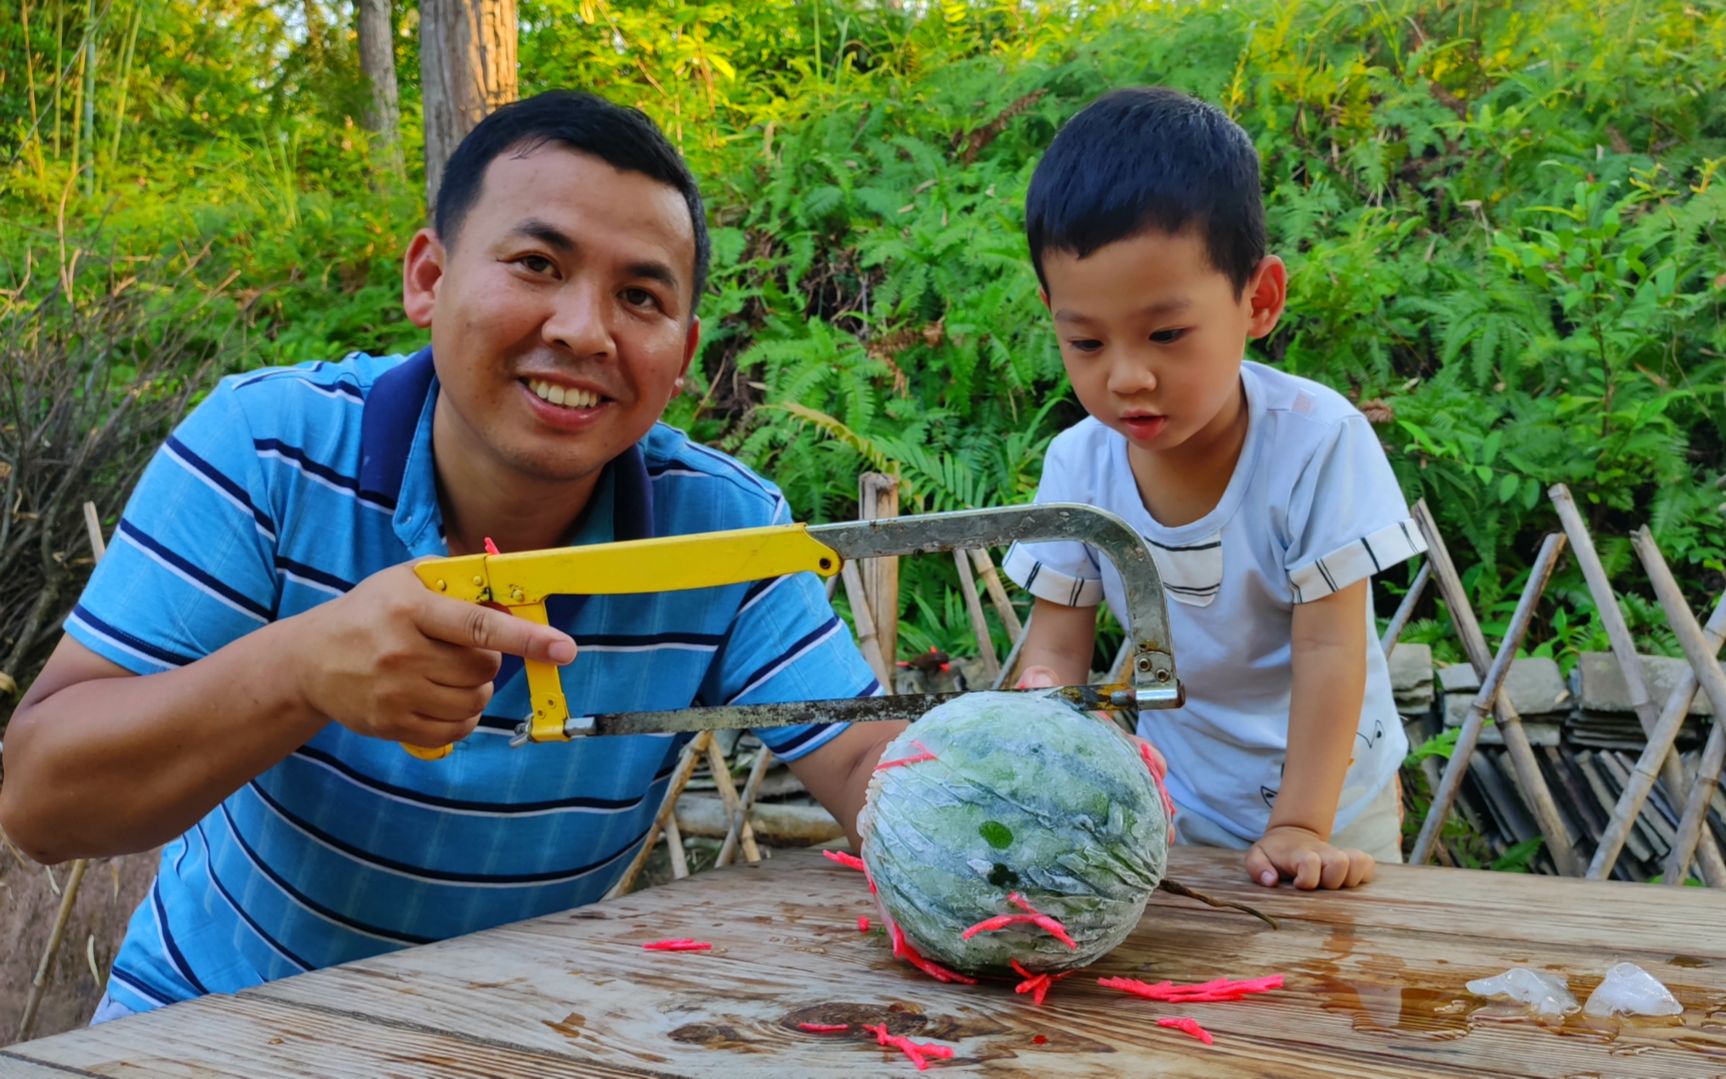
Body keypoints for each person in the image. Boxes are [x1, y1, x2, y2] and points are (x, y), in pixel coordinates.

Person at [0, 90, 902, 1020]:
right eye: (537, 263)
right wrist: (301, 670)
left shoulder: (724, 530)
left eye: (640, 296)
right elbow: (40, 801)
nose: (585, 330)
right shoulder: (265, 449)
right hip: (199, 1027)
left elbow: (864, 753)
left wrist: (1019, 784)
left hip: (509, 1037)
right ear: (428, 277)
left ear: (682, 355)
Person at [1004, 87, 1425, 891]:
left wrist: (1301, 824)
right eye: (1086, 341)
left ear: (1258, 299)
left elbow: (1333, 648)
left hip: (1334, 806)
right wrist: (1042, 711)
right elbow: (1056, 649)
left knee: (1328, 990)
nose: (1127, 375)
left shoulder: (1317, 442)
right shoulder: (1078, 466)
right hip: (1181, 803)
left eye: (1167, 334)